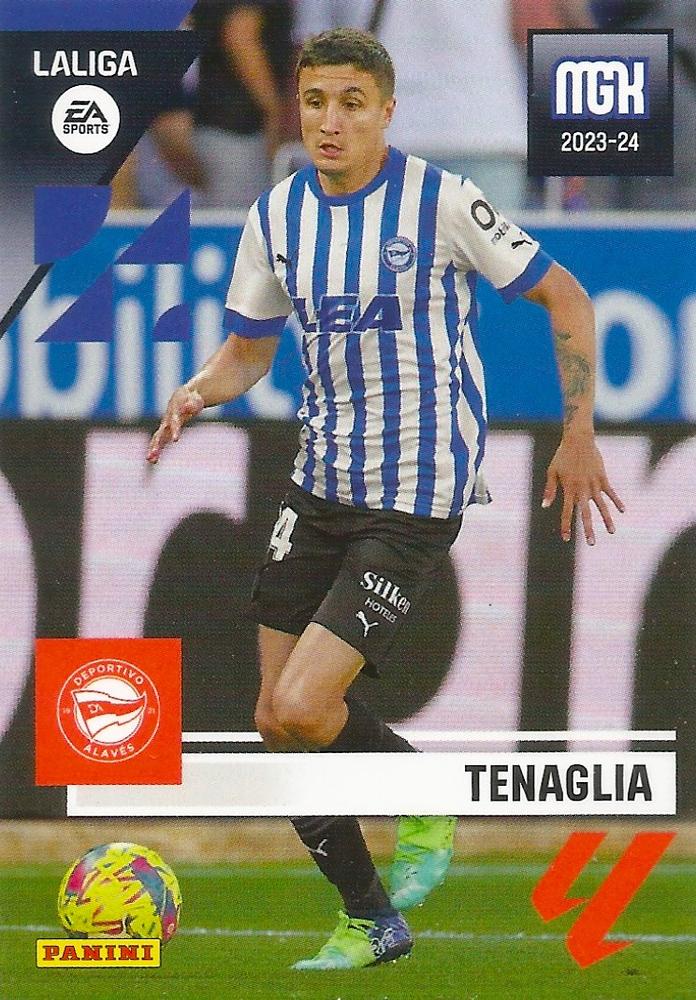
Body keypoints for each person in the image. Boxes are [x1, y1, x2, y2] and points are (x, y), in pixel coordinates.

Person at [147, 28, 624, 970]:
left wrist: (578, 432)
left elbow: (568, 298)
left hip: (414, 489)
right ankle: (371, 919)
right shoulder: (278, 216)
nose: (330, 121)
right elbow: (249, 351)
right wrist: (199, 390)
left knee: (307, 704)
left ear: (386, 112)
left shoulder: (442, 201)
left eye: (351, 103)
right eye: (315, 101)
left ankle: (425, 795)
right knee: (275, 721)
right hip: (319, 482)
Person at [192, 0, 294, 209]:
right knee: (239, 220)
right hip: (238, 131)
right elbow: (240, 37)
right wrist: (273, 111)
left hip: (222, 129)